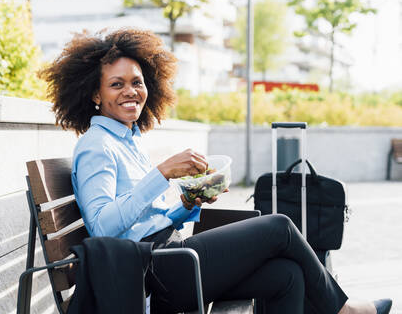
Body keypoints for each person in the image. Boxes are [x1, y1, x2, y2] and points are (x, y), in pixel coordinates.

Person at [39, 28, 392, 314]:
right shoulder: (95, 146)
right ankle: (346, 310)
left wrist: (191, 201)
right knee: (279, 226)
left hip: (172, 258)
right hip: (150, 273)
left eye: (137, 81)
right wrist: (161, 173)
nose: (131, 91)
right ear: (95, 95)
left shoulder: (128, 141)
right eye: (117, 84)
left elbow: (146, 216)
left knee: (286, 276)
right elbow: (103, 227)